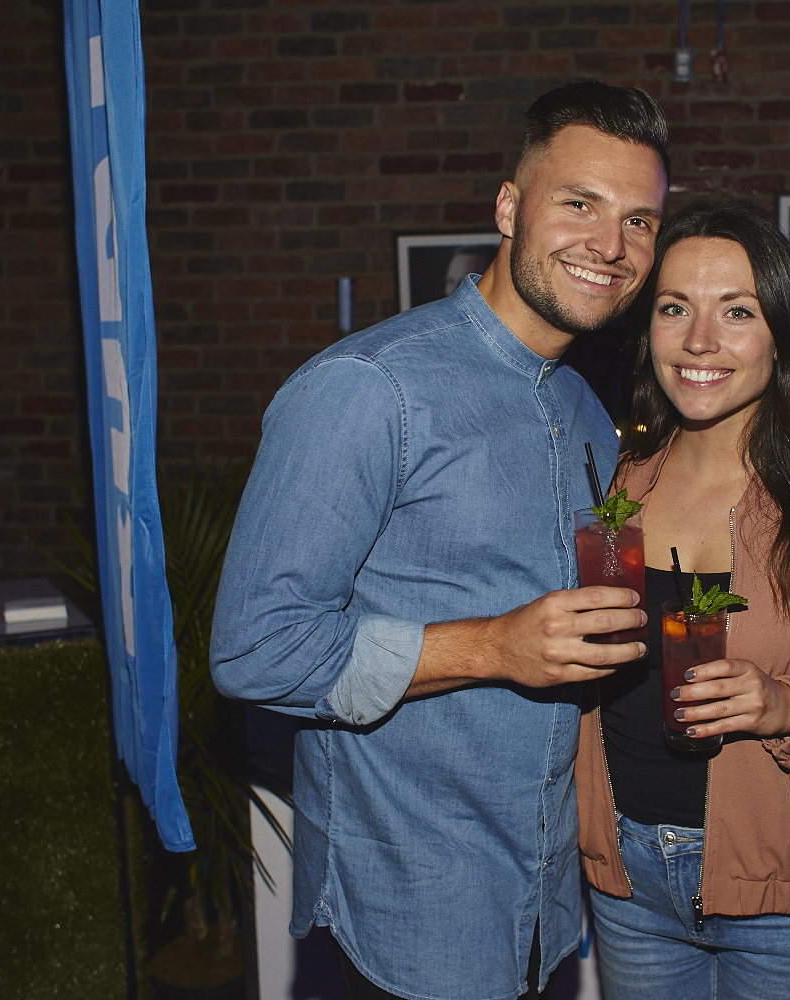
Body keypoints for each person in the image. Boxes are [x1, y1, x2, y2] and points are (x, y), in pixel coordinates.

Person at [210, 81, 670, 1000]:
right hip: (413, 908)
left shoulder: (586, 408)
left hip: (540, 907)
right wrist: (495, 647)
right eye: (580, 203)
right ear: (508, 207)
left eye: (640, 222)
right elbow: (254, 650)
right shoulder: (368, 387)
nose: (611, 245)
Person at [574, 200, 790, 999]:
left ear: (783, 335)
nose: (700, 339)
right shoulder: (617, 492)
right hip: (627, 883)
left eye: (737, 311)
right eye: (674, 308)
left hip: (787, 891)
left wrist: (786, 706)